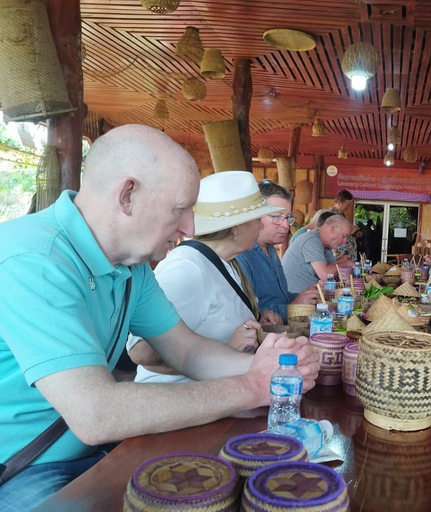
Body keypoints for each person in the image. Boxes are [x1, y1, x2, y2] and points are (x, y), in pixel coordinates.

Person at [0, 125, 319, 510]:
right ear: (128, 194)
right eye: (180, 209)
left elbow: (188, 351)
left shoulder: (131, 266)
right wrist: (253, 385)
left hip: (99, 448)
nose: (189, 228)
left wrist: (273, 368)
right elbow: (96, 413)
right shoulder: (35, 260)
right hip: (29, 466)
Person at [126, 171, 285, 384]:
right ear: (236, 228)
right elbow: (142, 351)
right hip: (181, 404)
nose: (262, 225)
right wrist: (226, 350)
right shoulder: (187, 268)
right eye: (257, 219)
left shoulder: (227, 263)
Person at [237, 181, 321, 324]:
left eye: (288, 217)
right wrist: (293, 307)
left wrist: (303, 296)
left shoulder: (270, 250)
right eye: (277, 216)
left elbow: (280, 297)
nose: (286, 225)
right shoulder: (241, 255)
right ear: (255, 215)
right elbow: (250, 313)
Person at [283, 214, 352, 293]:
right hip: (292, 301)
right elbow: (325, 275)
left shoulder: (326, 247)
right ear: (333, 229)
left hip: (307, 297)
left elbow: (331, 272)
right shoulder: (311, 240)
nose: (344, 241)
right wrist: (346, 263)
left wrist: (341, 261)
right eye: (343, 236)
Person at [330, 189, 359, 261]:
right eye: (347, 205)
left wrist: (354, 234)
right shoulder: (331, 215)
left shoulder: (343, 215)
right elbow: (332, 234)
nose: (348, 208)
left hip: (349, 254)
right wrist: (350, 232)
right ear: (339, 202)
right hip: (340, 254)